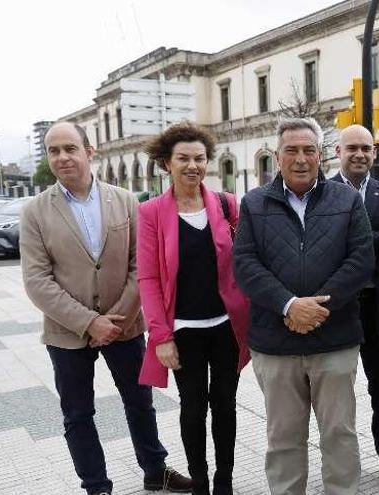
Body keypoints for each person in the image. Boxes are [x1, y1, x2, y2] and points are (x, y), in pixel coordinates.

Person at [20, 122, 192, 495]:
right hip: (67, 333)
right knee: (78, 415)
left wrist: (119, 317)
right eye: (54, 151)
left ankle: (155, 471)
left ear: (89, 151)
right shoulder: (35, 211)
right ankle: (96, 486)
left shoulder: (126, 200)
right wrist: (90, 322)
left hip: (125, 326)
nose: (62, 157)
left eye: (70, 148)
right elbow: (37, 280)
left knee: (140, 403)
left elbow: (142, 265)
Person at [233, 118, 374, 495]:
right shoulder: (254, 203)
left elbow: (361, 260)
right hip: (276, 344)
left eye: (308, 150)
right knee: (283, 439)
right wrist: (289, 305)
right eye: (291, 150)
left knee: (339, 434)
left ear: (321, 155)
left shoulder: (345, 201)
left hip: (335, 341)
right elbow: (245, 264)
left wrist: (317, 309)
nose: (300, 158)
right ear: (277, 157)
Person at [136, 123, 251, 495]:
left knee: (226, 405)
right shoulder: (152, 212)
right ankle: (199, 483)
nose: (192, 166)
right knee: (193, 408)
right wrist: (161, 337)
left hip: (225, 327)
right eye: (183, 158)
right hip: (183, 329)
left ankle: (225, 483)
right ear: (166, 163)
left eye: (199, 158)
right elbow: (149, 279)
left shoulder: (226, 204)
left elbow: (244, 263)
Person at [330, 125, 379, 488]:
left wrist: (348, 242)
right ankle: (340, 462)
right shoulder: (322, 192)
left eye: (367, 148)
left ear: (374, 154)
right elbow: (320, 247)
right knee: (335, 391)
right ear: (338, 152)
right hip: (337, 308)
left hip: (378, 307)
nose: (360, 154)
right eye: (352, 148)